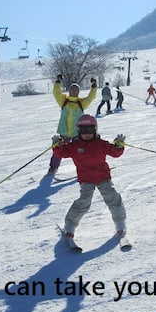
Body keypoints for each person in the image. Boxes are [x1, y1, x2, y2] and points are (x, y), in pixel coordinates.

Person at [52, 114, 127, 243]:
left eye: (90, 130)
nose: (87, 134)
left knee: (112, 197)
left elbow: (114, 152)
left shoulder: (100, 144)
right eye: (83, 130)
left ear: (95, 129)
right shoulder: (74, 146)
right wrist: (56, 146)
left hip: (103, 177)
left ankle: (120, 225)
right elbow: (62, 152)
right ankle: (69, 227)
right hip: (86, 179)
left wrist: (119, 146)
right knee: (84, 202)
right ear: (78, 130)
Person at [48, 75, 98, 174]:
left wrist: (94, 87)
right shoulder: (64, 101)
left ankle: (84, 167)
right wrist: (58, 82)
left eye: (76, 90)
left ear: (78, 92)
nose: (74, 92)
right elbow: (56, 93)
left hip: (77, 133)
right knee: (58, 150)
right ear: (70, 91)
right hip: (64, 132)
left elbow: (91, 97)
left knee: (80, 151)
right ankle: (53, 168)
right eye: (72, 90)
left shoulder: (81, 103)